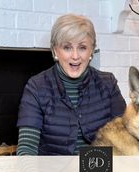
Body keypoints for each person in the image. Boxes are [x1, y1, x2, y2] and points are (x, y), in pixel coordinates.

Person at [17, 14, 126, 156]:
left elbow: (125, 137)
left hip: (97, 171)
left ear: (91, 50)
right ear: (55, 50)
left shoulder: (108, 84)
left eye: (82, 47)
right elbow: (26, 149)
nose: (75, 56)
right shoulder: (36, 87)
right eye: (67, 47)